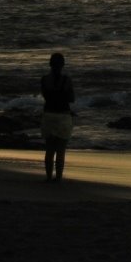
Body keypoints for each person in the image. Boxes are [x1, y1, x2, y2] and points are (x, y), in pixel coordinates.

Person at [40, 52, 76, 182]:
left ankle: (49, 177)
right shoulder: (67, 80)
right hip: (63, 116)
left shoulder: (44, 79)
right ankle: (58, 178)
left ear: (50, 64)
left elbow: (45, 96)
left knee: (49, 150)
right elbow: (72, 99)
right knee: (61, 150)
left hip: (48, 114)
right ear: (63, 65)